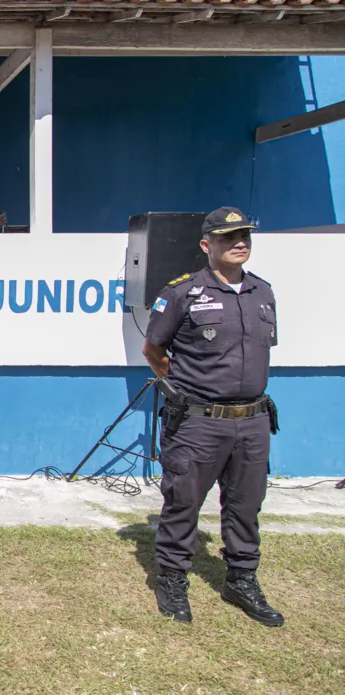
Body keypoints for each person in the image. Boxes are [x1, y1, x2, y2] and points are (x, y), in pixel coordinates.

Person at [142, 206, 283, 627]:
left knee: (245, 505)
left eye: (244, 236)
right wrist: (185, 390)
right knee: (183, 501)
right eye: (228, 237)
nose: (239, 243)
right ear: (207, 245)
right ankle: (172, 578)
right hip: (199, 422)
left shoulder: (263, 292)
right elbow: (154, 350)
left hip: (253, 421)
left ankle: (241, 579)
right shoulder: (182, 292)